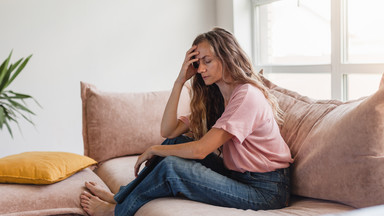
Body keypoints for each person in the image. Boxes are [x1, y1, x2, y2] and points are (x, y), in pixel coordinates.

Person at [80, 27, 294, 216]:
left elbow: (201, 150)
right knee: (174, 144)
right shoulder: (219, 98)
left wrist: (154, 149)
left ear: (227, 57)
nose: (200, 70)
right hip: (239, 175)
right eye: (197, 63)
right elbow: (169, 131)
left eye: (207, 61)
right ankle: (121, 196)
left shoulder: (246, 95)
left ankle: (117, 212)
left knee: (171, 167)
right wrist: (180, 80)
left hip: (266, 189)